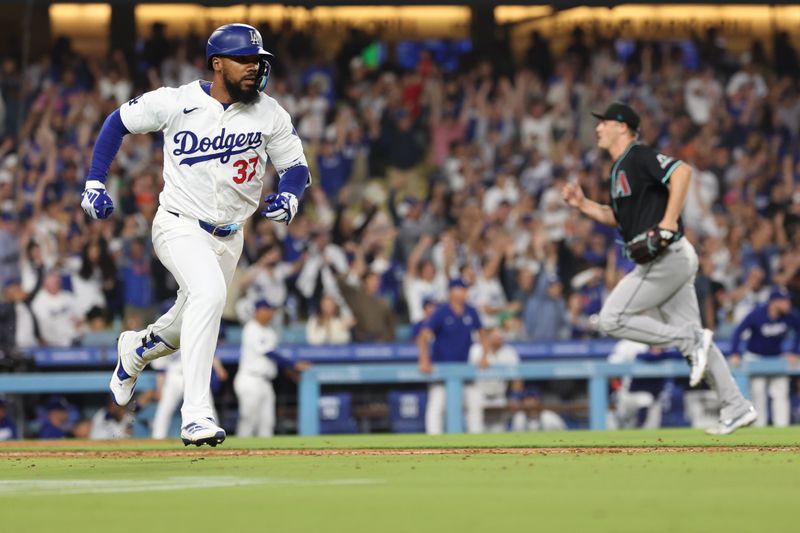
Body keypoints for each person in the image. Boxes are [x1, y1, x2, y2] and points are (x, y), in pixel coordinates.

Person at [81, 24, 310, 446]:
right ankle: (196, 415)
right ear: (217, 64)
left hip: (230, 236)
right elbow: (117, 122)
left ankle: (135, 350)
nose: (254, 68)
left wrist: (290, 197)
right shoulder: (176, 101)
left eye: (258, 61)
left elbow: (296, 168)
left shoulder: (270, 112)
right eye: (244, 60)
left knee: (179, 327)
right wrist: (95, 181)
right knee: (208, 294)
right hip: (178, 223)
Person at [561, 102, 755, 435]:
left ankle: (687, 338)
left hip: (665, 258)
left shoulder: (637, 156)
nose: (597, 128)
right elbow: (617, 218)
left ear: (622, 126)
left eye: (603, 122)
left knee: (612, 319)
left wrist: (667, 221)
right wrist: (582, 204)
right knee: (700, 347)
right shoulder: (619, 169)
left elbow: (681, 171)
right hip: (671, 260)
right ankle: (736, 406)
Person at [417, 278, 490, 434]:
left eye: (465, 289)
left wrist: (485, 356)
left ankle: (477, 441)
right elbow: (423, 336)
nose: (464, 292)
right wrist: (424, 358)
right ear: (451, 291)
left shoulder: (471, 311)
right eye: (460, 289)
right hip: (441, 366)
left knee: (474, 403)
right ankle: (433, 442)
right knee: (437, 405)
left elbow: (483, 334)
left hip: (465, 367)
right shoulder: (442, 311)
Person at [234, 299, 310, 437]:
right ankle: (238, 454)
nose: (271, 313)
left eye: (271, 310)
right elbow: (269, 353)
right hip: (250, 379)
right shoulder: (251, 328)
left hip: (266, 382)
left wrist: (291, 373)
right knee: (249, 421)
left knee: (267, 423)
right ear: (259, 311)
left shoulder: (270, 332)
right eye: (267, 310)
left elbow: (273, 361)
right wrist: (293, 364)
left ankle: (264, 456)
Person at [729, 286, 800, 428]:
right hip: (756, 357)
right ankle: (759, 428)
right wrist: (735, 352)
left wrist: (795, 351)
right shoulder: (757, 314)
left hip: (776, 357)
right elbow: (738, 332)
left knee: (781, 392)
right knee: (758, 392)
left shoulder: (790, 315)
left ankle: (782, 428)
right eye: (784, 301)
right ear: (774, 302)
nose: (788, 304)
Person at [150, 350, 228, 439]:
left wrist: (219, 369)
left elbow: (209, 353)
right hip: (174, 376)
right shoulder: (165, 337)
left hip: (195, 376)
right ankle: (157, 437)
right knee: (164, 410)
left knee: (208, 407)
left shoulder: (195, 336)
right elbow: (160, 369)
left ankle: (215, 435)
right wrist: (160, 389)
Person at [465, 327, 524, 433]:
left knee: (499, 433)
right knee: (476, 432)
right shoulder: (476, 349)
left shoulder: (509, 351)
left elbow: (517, 377)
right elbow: (468, 377)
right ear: (487, 337)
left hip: (499, 397)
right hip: (479, 396)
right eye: (495, 336)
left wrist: (515, 397)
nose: (499, 339)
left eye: (500, 337)